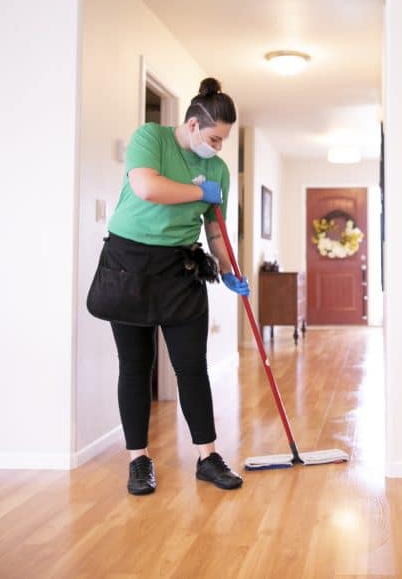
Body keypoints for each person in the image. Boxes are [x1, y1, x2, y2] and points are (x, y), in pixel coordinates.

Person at [94, 77, 248, 496]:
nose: (218, 149)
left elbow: (215, 228)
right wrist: (198, 190)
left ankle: (208, 457)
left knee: (192, 368)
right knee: (135, 368)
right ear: (193, 125)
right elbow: (146, 187)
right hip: (129, 265)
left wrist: (228, 267)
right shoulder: (151, 137)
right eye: (214, 138)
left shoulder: (217, 168)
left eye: (224, 141)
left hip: (181, 267)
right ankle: (138, 460)